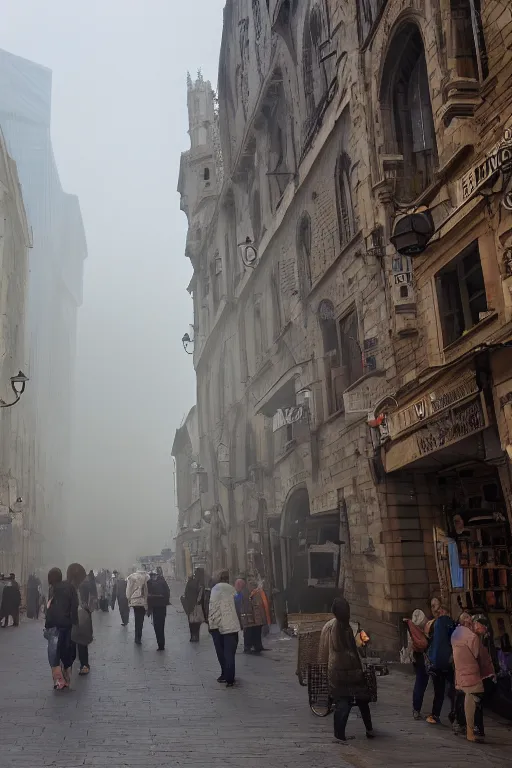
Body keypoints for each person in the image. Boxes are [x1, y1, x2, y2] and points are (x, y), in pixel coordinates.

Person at [318, 597, 374, 742]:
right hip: (348, 671)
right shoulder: (341, 628)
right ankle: (362, 730)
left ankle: (344, 734)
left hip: (338, 670)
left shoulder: (337, 626)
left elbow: (326, 651)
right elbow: (351, 649)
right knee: (355, 700)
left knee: (346, 701)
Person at [44, 564, 85, 689]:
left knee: (54, 652)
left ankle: (58, 680)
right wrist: (75, 622)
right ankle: (66, 678)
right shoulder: (70, 587)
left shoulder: (52, 588)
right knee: (66, 651)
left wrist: (47, 622)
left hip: (53, 625)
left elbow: (49, 607)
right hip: (67, 624)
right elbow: (74, 605)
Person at [451, 612, 488, 742]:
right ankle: (472, 731)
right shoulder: (471, 636)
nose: (471, 618)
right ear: (466, 622)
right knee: (475, 701)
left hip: (460, 673)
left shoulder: (455, 633)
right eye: (468, 617)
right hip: (471, 674)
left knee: (462, 698)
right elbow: (477, 654)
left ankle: (460, 724)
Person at [208, 570, 240, 687]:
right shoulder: (232, 589)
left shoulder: (215, 589)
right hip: (232, 626)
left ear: (218, 578)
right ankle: (230, 678)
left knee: (221, 652)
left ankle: (225, 674)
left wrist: (212, 624)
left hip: (219, 626)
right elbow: (237, 604)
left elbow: (213, 608)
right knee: (230, 653)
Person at [425, 605, 456, 725]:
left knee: (439, 691)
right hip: (448, 661)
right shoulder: (451, 624)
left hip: (436, 662)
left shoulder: (435, 624)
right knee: (454, 688)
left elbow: (429, 639)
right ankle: (455, 713)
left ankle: (435, 714)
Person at [404, 609, 430, 720]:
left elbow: (410, 643)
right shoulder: (427, 625)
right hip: (425, 656)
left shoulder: (410, 627)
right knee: (422, 683)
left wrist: (409, 657)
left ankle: (416, 709)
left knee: (419, 682)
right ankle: (421, 710)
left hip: (417, 656)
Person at [239, 578, 271, 654]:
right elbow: (247, 606)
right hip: (250, 617)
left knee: (257, 632)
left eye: (254, 585)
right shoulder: (247, 593)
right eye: (251, 585)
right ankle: (248, 648)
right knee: (249, 632)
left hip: (257, 617)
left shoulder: (258, 592)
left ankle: (258, 646)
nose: (253, 586)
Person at [147, 567, 170, 651]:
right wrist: (166, 602)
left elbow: (148, 597)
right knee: (161, 625)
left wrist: (149, 609)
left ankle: (160, 644)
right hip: (162, 607)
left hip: (155, 607)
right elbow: (168, 592)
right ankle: (161, 644)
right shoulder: (163, 581)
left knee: (157, 626)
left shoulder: (149, 583)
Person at [181, 568, 206, 642]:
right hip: (197, 604)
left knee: (191, 621)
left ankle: (192, 636)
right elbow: (201, 595)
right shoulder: (200, 583)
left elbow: (186, 593)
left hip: (189, 604)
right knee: (197, 621)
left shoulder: (190, 582)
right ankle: (196, 636)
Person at [126, 565, 149, 644]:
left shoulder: (132, 577)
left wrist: (128, 598)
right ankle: (139, 636)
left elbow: (129, 589)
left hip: (135, 601)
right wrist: (146, 601)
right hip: (142, 601)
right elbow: (146, 590)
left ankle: (137, 637)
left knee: (137, 618)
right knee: (141, 620)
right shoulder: (146, 577)